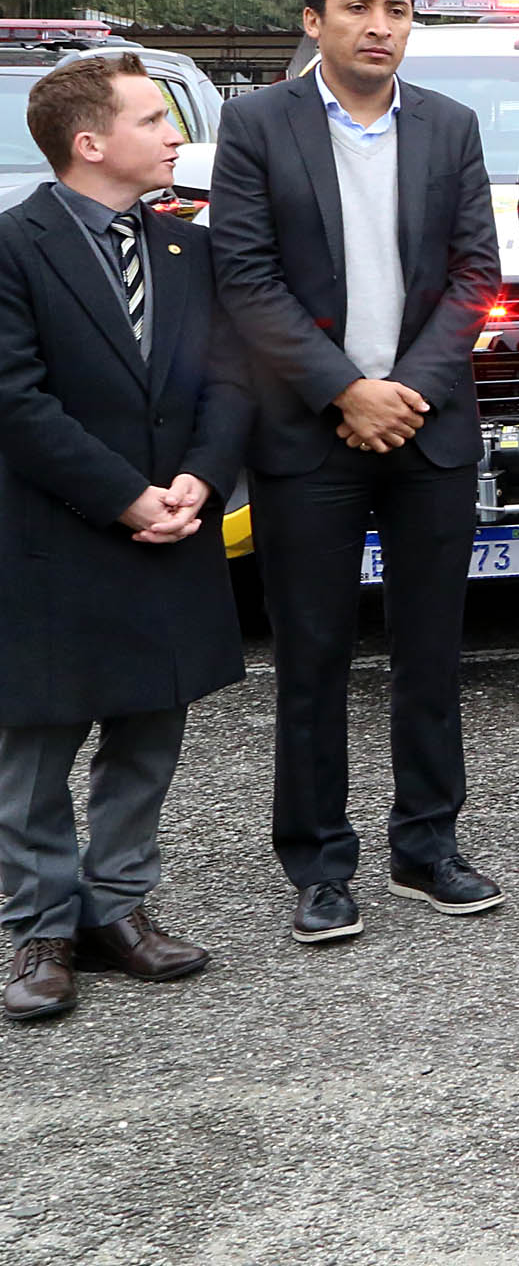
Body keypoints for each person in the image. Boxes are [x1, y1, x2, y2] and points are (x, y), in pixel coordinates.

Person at [211, 0, 506, 942]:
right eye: (358, 7)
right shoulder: (257, 123)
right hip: (308, 431)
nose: (380, 26)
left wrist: (405, 390)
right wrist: (345, 389)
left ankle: (427, 845)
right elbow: (245, 277)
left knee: (431, 651)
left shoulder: (449, 125)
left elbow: (475, 273)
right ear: (314, 19)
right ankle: (320, 864)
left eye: (397, 8)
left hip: (426, 428)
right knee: (313, 656)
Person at [0, 56, 252, 1022]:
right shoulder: (13, 247)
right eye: (152, 120)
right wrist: (125, 498)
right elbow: (16, 402)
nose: (174, 135)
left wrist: (202, 478)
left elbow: (229, 379)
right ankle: (41, 929)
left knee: (151, 727)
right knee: (37, 745)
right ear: (90, 142)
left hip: (173, 526)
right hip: (58, 536)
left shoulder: (188, 248)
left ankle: (116, 906)